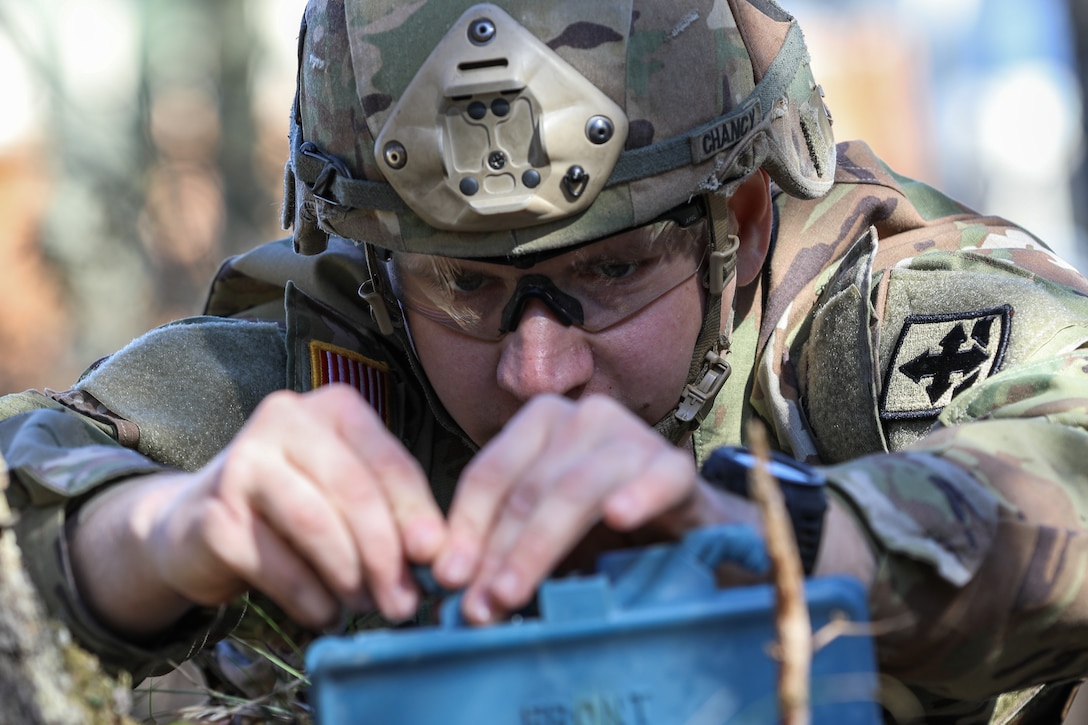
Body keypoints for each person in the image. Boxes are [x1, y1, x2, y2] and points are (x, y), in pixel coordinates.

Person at [3, 0, 1088, 721]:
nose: (538, 370)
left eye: (613, 271)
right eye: (462, 284)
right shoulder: (312, 383)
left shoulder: (858, 329)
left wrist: (776, 537)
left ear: (745, 225)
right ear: (378, 270)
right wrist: (131, 551)